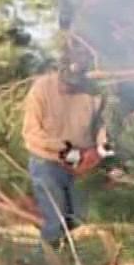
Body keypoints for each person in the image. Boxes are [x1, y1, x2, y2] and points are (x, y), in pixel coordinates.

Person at [22, 44, 111, 254]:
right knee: (55, 219)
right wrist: (72, 155)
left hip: (82, 163)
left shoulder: (94, 93)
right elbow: (32, 134)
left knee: (80, 220)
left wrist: (99, 152)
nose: (69, 87)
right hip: (47, 162)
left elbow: (102, 127)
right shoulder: (41, 89)